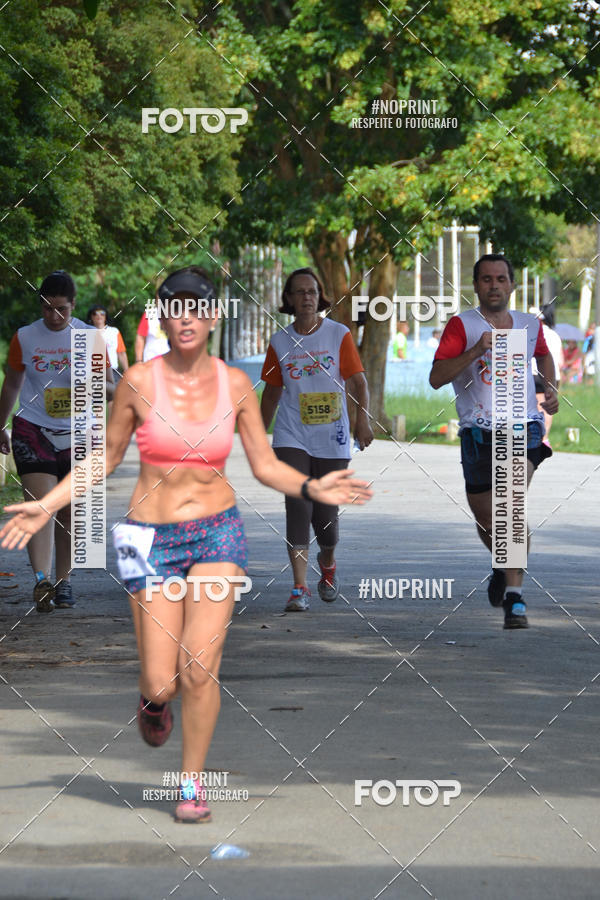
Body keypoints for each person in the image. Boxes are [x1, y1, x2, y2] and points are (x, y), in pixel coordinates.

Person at [0, 266, 372, 824]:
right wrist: (46, 504)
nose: (187, 318)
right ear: (164, 316)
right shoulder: (139, 383)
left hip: (216, 533)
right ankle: (151, 699)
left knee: (199, 669)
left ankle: (191, 783)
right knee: (162, 679)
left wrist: (313, 485)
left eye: (197, 307)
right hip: (146, 537)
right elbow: (105, 458)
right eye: (175, 307)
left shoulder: (233, 385)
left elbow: (266, 461)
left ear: (212, 316)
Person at [429, 254, 558, 630]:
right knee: (487, 520)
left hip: (523, 429)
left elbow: (544, 358)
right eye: (487, 279)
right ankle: (504, 565)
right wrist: (476, 350)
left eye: (501, 278)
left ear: (512, 285)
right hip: (477, 433)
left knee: (510, 508)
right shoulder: (462, 326)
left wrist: (551, 389)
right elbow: (437, 377)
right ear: (476, 286)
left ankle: (515, 599)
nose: (495, 285)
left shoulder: (528, 324)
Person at [0, 271, 114, 612]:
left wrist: (87, 384)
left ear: (73, 306)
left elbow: (110, 389)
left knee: (70, 511)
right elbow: (12, 385)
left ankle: (64, 582)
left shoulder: (90, 338)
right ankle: (41, 581)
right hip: (33, 427)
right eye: (48, 309)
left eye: (62, 309)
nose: (54, 316)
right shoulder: (25, 337)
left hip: (80, 432)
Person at [260, 267, 373, 612]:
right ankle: (299, 587)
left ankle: (328, 565)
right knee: (297, 503)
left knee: (326, 518)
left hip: (332, 436)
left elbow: (358, 384)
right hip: (291, 434)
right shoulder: (280, 342)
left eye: (312, 291)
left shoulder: (338, 335)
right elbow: (272, 393)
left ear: (319, 297)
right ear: (289, 300)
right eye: (299, 292)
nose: (306, 298)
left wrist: (362, 422)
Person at [531, 305, 562, 445]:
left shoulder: (533, 330)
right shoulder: (555, 335)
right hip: (554, 374)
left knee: (538, 405)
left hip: (535, 371)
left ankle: (535, 435)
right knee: (549, 406)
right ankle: (545, 438)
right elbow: (561, 360)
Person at [86, 305, 129, 375]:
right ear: (91, 317)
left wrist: (127, 372)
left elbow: (121, 353)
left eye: (102, 313)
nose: (99, 315)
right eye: (95, 313)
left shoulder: (114, 332)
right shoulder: (86, 333)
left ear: (106, 316)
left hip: (113, 371)